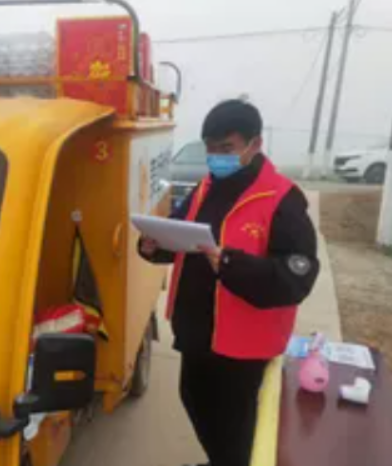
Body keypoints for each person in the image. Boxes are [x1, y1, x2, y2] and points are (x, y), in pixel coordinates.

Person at [140, 100, 319, 466]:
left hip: (243, 341)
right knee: (194, 398)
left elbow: (296, 277)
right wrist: (154, 245)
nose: (217, 157)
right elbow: (181, 232)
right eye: (210, 148)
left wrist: (230, 264)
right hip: (197, 328)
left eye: (227, 148)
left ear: (255, 144)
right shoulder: (206, 186)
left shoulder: (282, 198)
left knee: (235, 422)